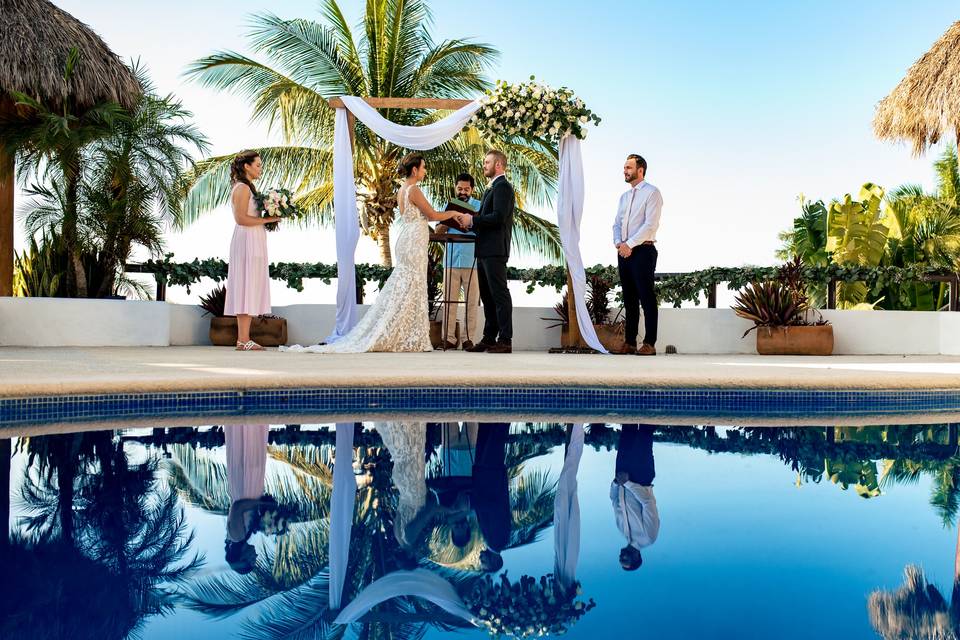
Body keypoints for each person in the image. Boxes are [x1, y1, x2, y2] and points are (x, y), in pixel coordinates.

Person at [281, 153, 471, 354]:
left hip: (408, 239)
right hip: (414, 241)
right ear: (414, 170)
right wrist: (453, 213)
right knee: (412, 284)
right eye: (423, 167)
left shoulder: (402, 190)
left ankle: (408, 334)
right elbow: (433, 215)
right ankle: (410, 336)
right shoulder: (414, 189)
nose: (425, 171)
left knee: (407, 284)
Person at [224, 150, 281, 351]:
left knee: (250, 285)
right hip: (246, 239)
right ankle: (243, 339)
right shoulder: (242, 188)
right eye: (257, 165)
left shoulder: (249, 188)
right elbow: (240, 219)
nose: (261, 168)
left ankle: (243, 339)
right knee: (245, 285)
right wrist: (268, 219)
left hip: (255, 238)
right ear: (246, 166)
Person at [464, 150, 516, 354]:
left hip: (495, 249)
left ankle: (505, 339)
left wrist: (474, 220)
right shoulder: (492, 187)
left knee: (499, 295)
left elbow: (499, 217)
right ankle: (489, 337)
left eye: (487, 162)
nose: (484, 165)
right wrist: (468, 222)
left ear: (498, 165)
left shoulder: (503, 186)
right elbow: (487, 217)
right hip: (484, 249)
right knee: (487, 296)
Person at [613, 154, 663, 356]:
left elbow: (650, 224)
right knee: (629, 298)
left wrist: (630, 244)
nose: (625, 171)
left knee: (646, 297)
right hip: (624, 252)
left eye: (629, 167)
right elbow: (616, 223)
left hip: (643, 250)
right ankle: (630, 342)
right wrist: (619, 243)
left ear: (640, 170)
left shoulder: (652, 193)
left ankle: (650, 343)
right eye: (624, 167)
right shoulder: (623, 197)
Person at [224, 424, 289, 574]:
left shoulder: (236, 536)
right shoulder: (243, 536)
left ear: (242, 558)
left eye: (252, 560)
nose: (256, 556)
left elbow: (238, 506)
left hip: (245, 483)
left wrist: (263, 503)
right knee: (252, 450)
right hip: (249, 485)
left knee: (248, 449)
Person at [435, 174, 482, 350]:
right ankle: (448, 339)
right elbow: (438, 231)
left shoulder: (478, 206)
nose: (463, 192)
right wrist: (447, 221)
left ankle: (468, 338)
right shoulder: (449, 206)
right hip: (451, 259)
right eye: (460, 189)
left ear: (472, 189)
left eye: (466, 189)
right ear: (455, 188)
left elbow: (483, 228)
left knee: (471, 301)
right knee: (449, 300)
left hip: (472, 260)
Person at [610, 424, 660, 572]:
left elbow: (614, 501)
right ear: (637, 558)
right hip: (641, 476)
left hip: (621, 475)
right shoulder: (649, 538)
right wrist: (629, 483)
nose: (621, 557)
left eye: (620, 559)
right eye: (625, 560)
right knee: (645, 431)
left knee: (628, 428)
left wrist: (615, 483)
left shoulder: (622, 531)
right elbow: (648, 503)